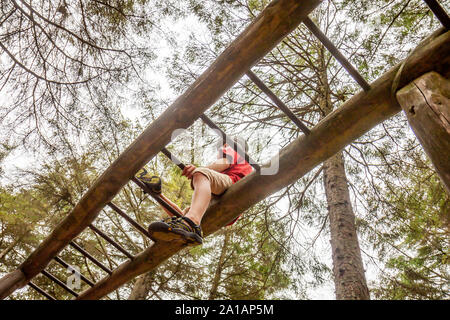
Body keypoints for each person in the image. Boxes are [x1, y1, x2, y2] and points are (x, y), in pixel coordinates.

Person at [141, 136, 253, 245]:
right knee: (184, 217)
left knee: (200, 174)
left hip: (232, 184)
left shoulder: (233, 149)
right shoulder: (245, 165)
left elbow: (224, 162)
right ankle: (159, 195)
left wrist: (198, 170)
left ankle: (192, 221)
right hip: (227, 209)